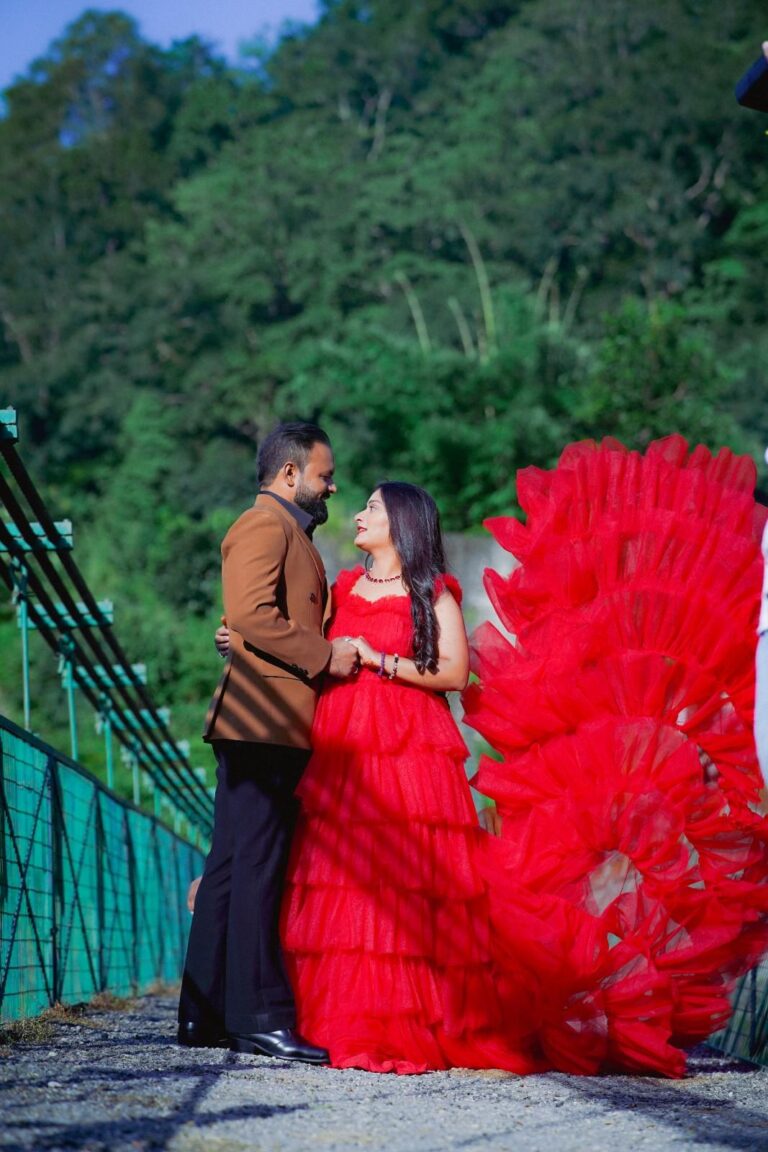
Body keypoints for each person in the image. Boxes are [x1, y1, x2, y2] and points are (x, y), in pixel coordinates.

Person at [178, 421, 358, 1064]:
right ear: (289, 473)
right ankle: (259, 1017)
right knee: (256, 867)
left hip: (261, 722)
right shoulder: (264, 524)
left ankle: (203, 1013)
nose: (331, 485)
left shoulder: (289, 531)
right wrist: (327, 656)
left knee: (231, 865)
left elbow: (252, 620)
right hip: (265, 723)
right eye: (324, 475)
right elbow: (253, 614)